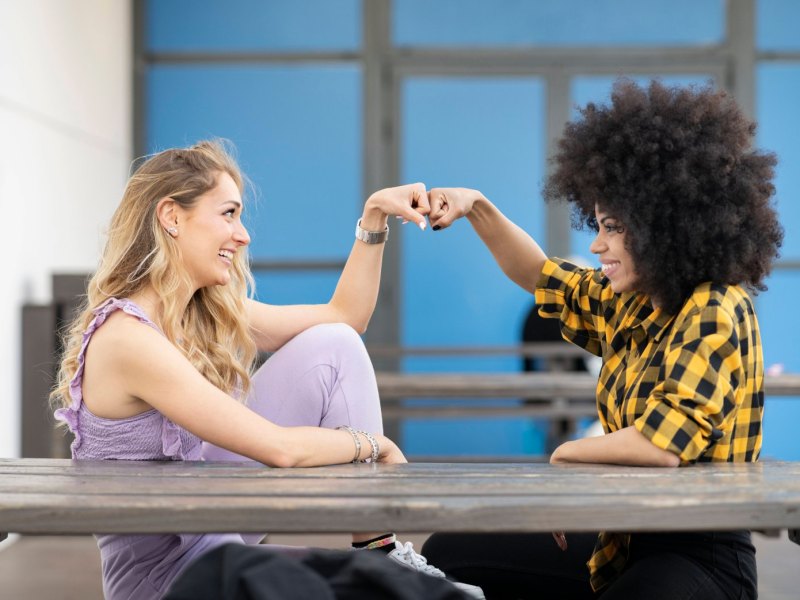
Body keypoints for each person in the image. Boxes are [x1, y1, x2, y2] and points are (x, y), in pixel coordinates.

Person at [49, 140, 484, 600]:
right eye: (229, 214)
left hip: (221, 542)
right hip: (168, 585)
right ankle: (380, 559)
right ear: (171, 217)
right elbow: (279, 449)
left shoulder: (201, 310)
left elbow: (346, 318)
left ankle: (378, 546)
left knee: (334, 344)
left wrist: (374, 215)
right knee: (406, 595)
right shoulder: (126, 338)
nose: (243, 235)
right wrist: (373, 445)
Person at [419, 80, 783, 599]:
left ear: (663, 226)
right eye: (596, 225)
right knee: (447, 553)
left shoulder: (715, 307)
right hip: (623, 536)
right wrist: (475, 205)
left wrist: (567, 455)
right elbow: (538, 274)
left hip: (700, 553)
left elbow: (661, 446)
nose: (595, 244)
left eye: (612, 228)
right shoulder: (632, 301)